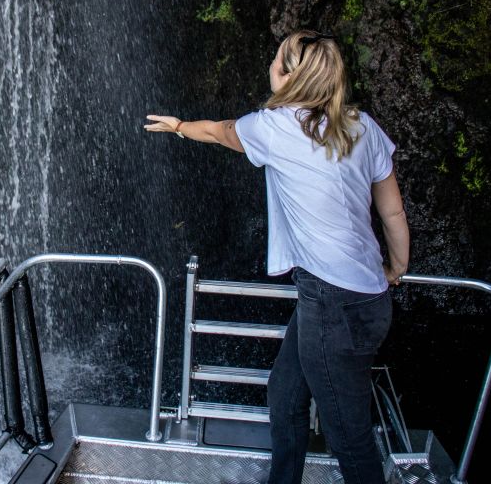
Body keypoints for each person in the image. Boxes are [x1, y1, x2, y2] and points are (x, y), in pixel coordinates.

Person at [144, 30, 409, 484]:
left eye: (275, 60)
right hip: (362, 298)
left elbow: (220, 131)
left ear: (288, 76)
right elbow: (392, 210)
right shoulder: (361, 126)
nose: (269, 65)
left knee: (349, 436)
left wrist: (179, 126)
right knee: (286, 393)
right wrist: (396, 268)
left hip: (331, 305)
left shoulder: (274, 126)